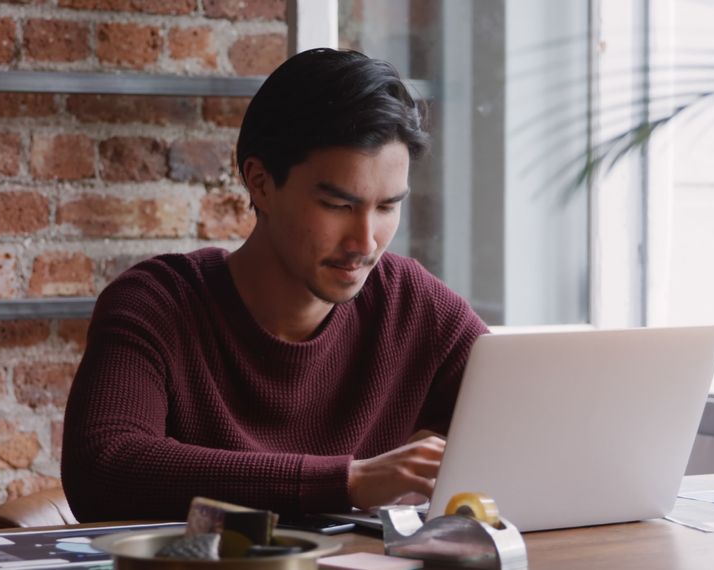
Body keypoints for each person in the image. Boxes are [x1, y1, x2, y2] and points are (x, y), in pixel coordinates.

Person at [61, 48, 490, 522]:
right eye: (337, 205)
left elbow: (525, 424)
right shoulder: (157, 304)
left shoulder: (412, 304)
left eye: (387, 207)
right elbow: (103, 470)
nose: (365, 241)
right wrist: (349, 481)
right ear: (260, 183)